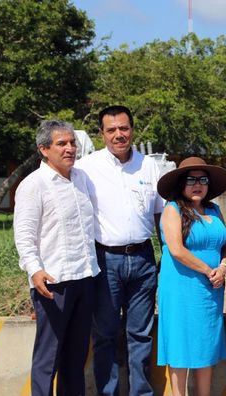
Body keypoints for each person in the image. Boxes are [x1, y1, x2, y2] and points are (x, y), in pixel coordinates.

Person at [77, 105, 164, 396]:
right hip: (105, 260)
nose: (119, 135)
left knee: (141, 334)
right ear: (102, 133)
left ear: (132, 130)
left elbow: (160, 214)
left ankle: (141, 392)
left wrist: (166, 253)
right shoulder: (87, 168)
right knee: (105, 334)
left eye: (124, 128)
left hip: (143, 258)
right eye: (111, 130)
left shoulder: (149, 165)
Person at [14, 120, 100, 396]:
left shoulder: (82, 179)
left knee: (76, 357)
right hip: (53, 283)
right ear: (44, 149)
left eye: (72, 143)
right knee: (48, 357)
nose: (70, 148)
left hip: (85, 277)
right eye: (61, 144)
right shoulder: (33, 185)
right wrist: (34, 270)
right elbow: (24, 235)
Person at [156, 157, 226, 396]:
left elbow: (225, 246)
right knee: (180, 346)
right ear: (181, 184)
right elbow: (176, 250)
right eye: (191, 180)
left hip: (211, 290)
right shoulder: (173, 209)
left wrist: (223, 267)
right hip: (181, 288)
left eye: (202, 180)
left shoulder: (214, 210)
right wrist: (209, 271)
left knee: (206, 345)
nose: (197, 184)